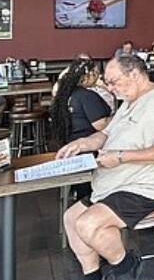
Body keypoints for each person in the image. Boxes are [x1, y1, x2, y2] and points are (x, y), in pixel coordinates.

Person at [58, 56, 154, 280]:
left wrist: (120, 157)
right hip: (118, 181)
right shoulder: (130, 100)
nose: (110, 88)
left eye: (114, 82)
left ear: (135, 75)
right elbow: (105, 133)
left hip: (149, 185)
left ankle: (125, 266)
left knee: (87, 224)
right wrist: (84, 143)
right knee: (71, 219)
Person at [48, 59, 112, 200]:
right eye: (95, 73)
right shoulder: (87, 96)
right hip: (88, 150)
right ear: (86, 76)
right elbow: (101, 125)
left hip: (68, 147)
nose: (98, 76)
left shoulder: (64, 95)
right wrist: (118, 117)